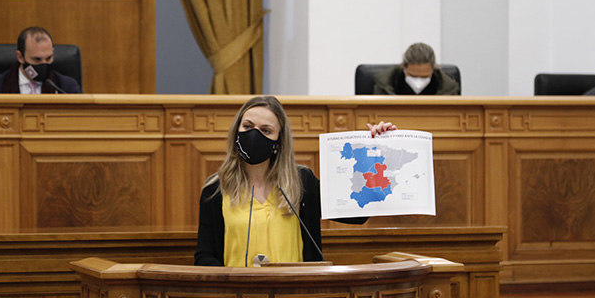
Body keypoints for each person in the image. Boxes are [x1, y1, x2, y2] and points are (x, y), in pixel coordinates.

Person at [195, 95, 397, 267]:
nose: (253, 135)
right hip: (239, 294)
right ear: (236, 131)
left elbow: (357, 215)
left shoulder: (301, 182)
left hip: (295, 294)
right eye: (247, 126)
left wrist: (375, 150)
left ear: (278, 142)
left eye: (266, 131)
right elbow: (204, 256)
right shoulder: (216, 189)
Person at [0, 26, 81, 94]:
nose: (44, 64)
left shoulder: (67, 87)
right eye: (37, 59)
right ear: (20, 57)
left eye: (48, 58)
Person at [372, 42, 460, 95]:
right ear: (404, 67)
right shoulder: (385, 85)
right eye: (413, 76)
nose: (418, 82)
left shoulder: (448, 88)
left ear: (433, 69)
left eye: (424, 77)